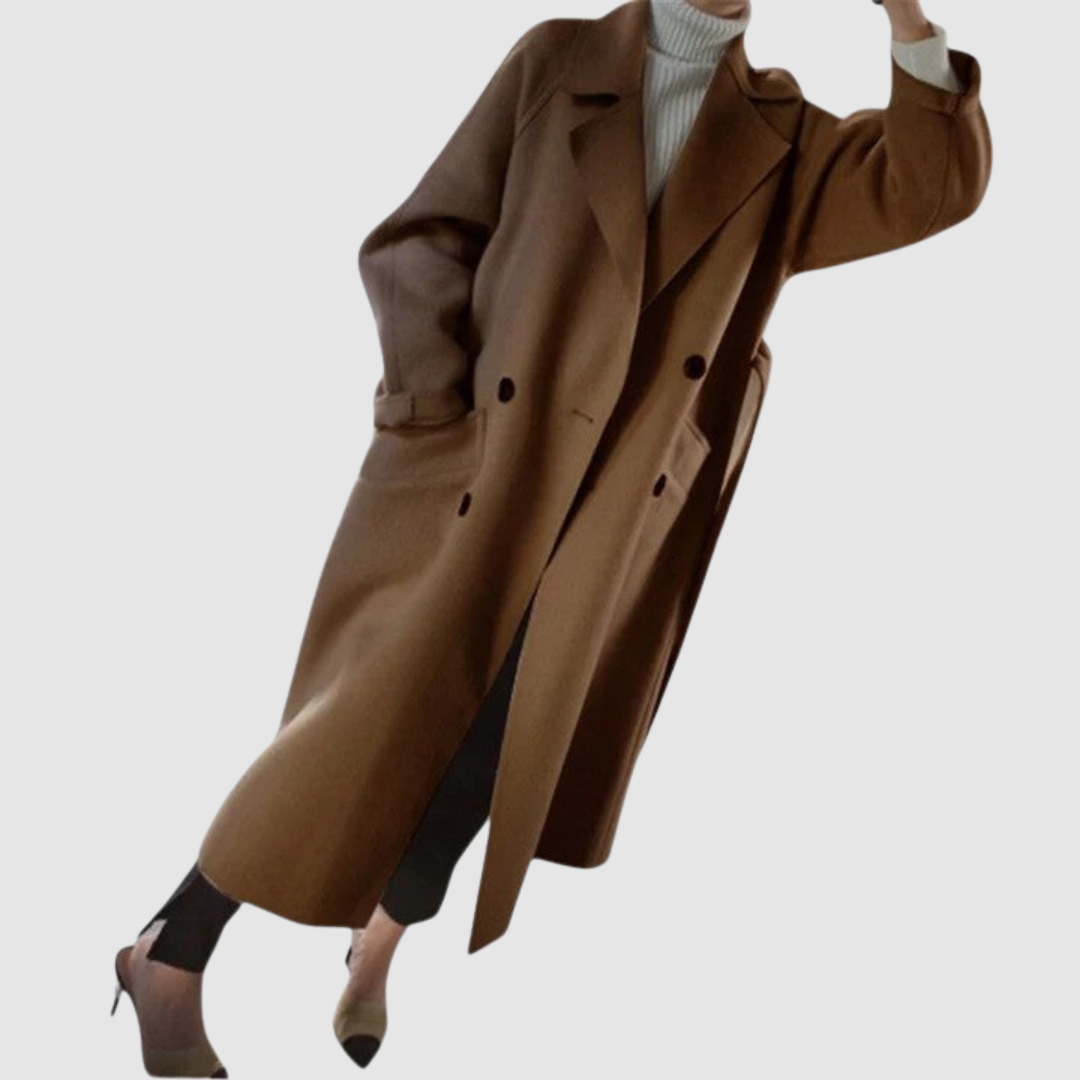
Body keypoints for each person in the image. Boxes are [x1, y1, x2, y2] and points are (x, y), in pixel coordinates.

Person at [110, 1, 984, 1074]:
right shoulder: (557, 59)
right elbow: (421, 235)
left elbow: (928, 186)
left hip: (616, 506)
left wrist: (905, 16)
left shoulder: (785, 131)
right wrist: (439, 414)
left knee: (501, 748)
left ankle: (381, 940)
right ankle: (171, 949)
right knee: (356, 731)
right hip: (483, 471)